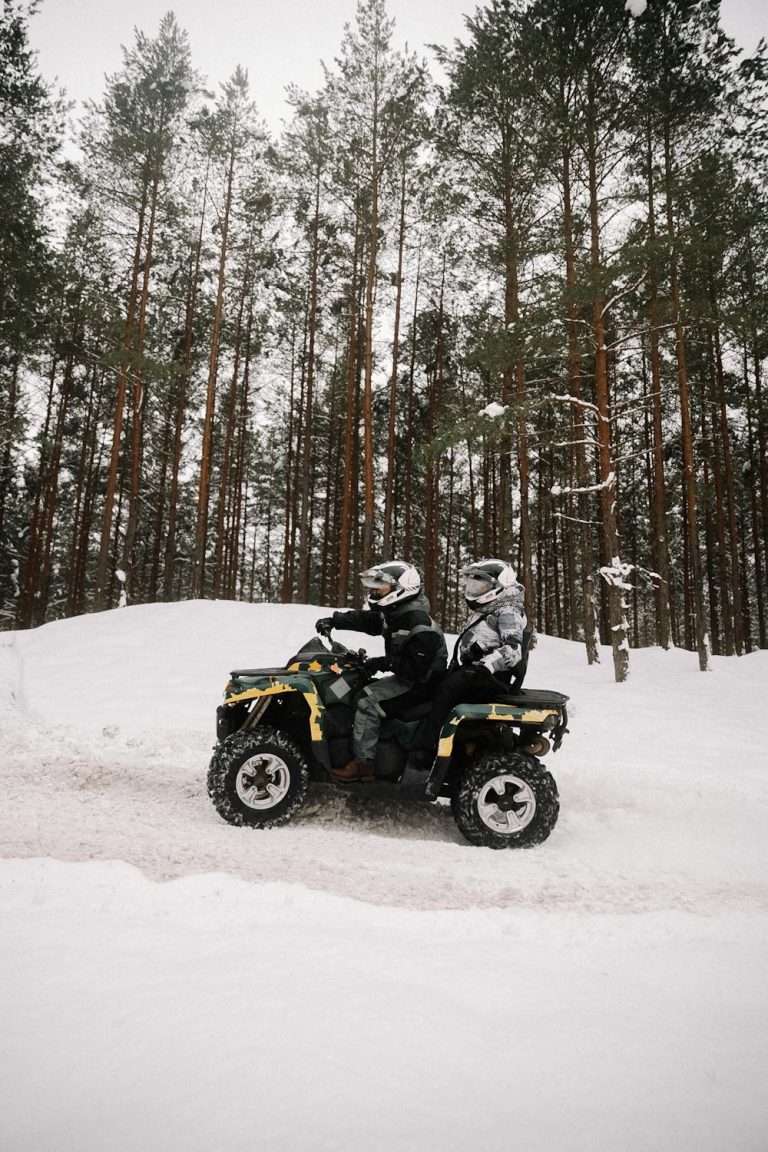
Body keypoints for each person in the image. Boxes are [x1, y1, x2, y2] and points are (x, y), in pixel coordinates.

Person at [315, 561, 447, 782]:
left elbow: (415, 669)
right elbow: (369, 620)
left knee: (368, 701)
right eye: (374, 585)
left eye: (381, 586)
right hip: (411, 677)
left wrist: (382, 663)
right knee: (358, 686)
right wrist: (335, 620)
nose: (374, 590)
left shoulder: (418, 623)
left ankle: (363, 764)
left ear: (402, 589)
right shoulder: (397, 612)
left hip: (422, 684)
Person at [404, 559, 528, 781]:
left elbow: (513, 649)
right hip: (476, 669)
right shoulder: (489, 607)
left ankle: (424, 750)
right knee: (432, 681)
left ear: (499, 586)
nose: (472, 590)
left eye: (479, 585)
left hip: (492, 677)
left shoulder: (508, 610)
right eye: (470, 584)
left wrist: (487, 665)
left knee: (447, 690)